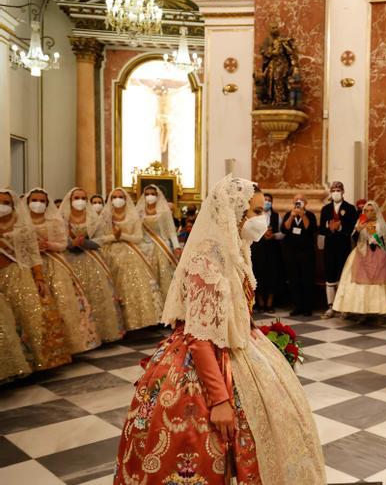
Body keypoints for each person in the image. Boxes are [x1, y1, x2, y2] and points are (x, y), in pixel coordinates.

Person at [114, 175, 325, 484]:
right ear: (233, 212)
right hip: (206, 364)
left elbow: (237, 311)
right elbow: (199, 337)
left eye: (260, 209)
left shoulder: (237, 249)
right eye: (254, 211)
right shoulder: (207, 258)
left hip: (241, 349)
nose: (260, 217)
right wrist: (221, 400)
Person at [0, 188, 70, 371]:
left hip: (18, 275)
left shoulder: (22, 225)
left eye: (6, 203)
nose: (2, 207)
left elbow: (32, 253)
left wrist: (39, 277)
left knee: (29, 316)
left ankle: (36, 361)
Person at [24, 188, 99, 354]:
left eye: (42, 201)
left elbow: (63, 243)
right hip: (30, 266)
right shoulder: (22, 222)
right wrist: (33, 247)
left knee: (64, 302)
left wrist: (49, 245)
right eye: (34, 201)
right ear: (27, 203)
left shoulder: (54, 221)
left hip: (54, 264)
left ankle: (70, 345)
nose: (38, 204)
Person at [60, 187, 125, 342]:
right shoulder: (62, 218)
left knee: (98, 293)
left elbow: (101, 240)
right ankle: (79, 337)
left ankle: (102, 332)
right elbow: (58, 238)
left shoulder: (93, 219)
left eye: (83, 198)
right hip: (69, 259)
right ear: (70, 200)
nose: (80, 201)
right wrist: (71, 243)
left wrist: (85, 242)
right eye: (76, 198)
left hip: (91, 258)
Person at [94, 188, 161, 331]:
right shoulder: (105, 217)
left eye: (121, 197)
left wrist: (122, 236)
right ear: (110, 200)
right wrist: (114, 237)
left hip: (131, 252)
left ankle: (139, 321)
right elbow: (99, 239)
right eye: (115, 197)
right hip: (109, 254)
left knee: (137, 283)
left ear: (126, 199)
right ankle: (119, 323)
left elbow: (138, 237)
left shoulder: (133, 216)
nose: (118, 199)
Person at [333, 201, 386, 316]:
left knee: (377, 282)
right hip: (361, 252)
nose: (369, 213)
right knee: (358, 281)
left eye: (371, 210)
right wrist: (359, 229)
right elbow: (354, 239)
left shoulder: (381, 224)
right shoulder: (360, 222)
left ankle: (376, 311)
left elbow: (385, 242)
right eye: (366, 210)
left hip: (378, 254)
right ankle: (360, 311)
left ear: (376, 212)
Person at [136, 185, 180, 303]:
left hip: (161, 247)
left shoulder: (164, 212)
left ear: (157, 196)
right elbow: (136, 231)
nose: (150, 196)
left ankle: (166, 306)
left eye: (153, 194)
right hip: (144, 248)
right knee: (147, 277)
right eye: (147, 194)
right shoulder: (139, 212)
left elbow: (171, 231)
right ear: (143, 196)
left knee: (163, 276)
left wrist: (176, 247)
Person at [319, 181, 357, 318]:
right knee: (330, 275)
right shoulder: (325, 209)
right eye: (333, 189)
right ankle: (331, 306)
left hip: (344, 246)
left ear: (343, 191)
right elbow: (321, 230)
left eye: (338, 189)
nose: (336, 192)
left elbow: (353, 229)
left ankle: (343, 307)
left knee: (343, 276)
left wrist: (340, 228)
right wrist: (329, 229)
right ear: (330, 192)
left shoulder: (351, 209)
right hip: (330, 246)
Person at [282, 194, 317, 316]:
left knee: (306, 280)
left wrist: (303, 215)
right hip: (291, 253)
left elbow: (309, 229)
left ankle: (307, 307)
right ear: (293, 202)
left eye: (301, 200)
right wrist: (292, 216)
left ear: (305, 203)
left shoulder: (310, 215)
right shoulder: (288, 214)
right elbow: (284, 229)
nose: (298, 201)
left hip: (306, 253)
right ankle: (297, 306)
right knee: (294, 280)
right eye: (296, 200)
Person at [250, 193, 284, 313]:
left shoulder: (276, 216)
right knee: (257, 274)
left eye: (269, 200)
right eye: (265, 200)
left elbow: (282, 233)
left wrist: (273, 235)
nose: (267, 202)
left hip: (271, 249)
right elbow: (250, 230)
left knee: (271, 275)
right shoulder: (254, 216)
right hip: (258, 249)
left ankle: (269, 304)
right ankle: (260, 303)